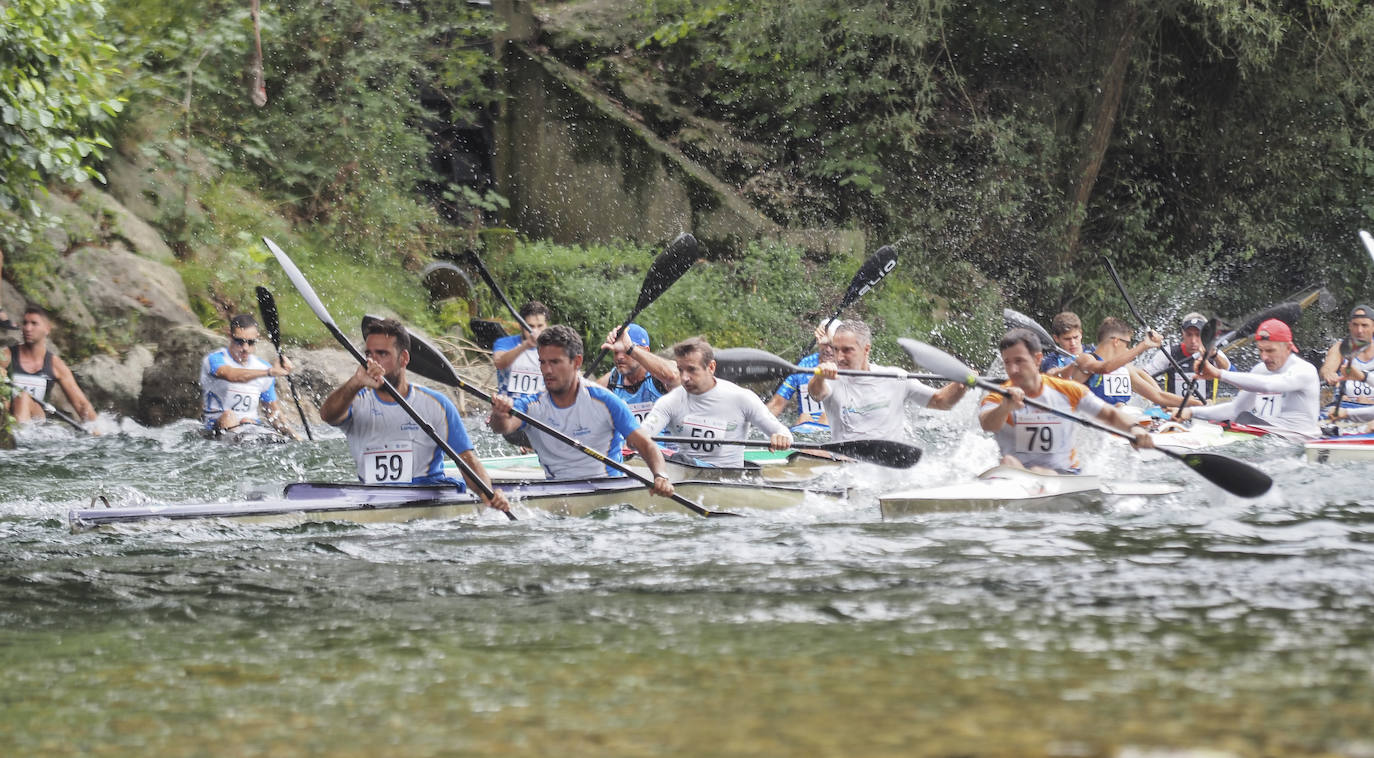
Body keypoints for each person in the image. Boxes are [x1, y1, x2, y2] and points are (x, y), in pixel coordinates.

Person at [319, 317, 510, 512]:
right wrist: (355, 382)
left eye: (382, 354)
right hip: (371, 497)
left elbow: (467, 461)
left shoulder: (437, 405)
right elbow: (328, 416)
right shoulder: (354, 399)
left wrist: (489, 494)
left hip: (427, 498)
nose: (372, 361)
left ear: (404, 359)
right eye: (369, 354)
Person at [488, 324, 674, 496]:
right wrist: (499, 413)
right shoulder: (531, 404)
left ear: (577, 362)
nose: (547, 370)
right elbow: (502, 427)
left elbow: (646, 445)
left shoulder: (608, 401)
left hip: (611, 496)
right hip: (558, 496)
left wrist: (660, 476)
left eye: (555, 362)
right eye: (542, 362)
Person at [980, 329, 1152, 474]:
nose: (1013, 370)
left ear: (1038, 359)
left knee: (1028, 468)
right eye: (1007, 363)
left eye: (1019, 361)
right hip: (1016, 474)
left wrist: (1135, 429)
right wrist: (1005, 407)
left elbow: (1110, 415)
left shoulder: (1067, 390)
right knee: (1008, 462)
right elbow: (987, 424)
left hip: (1066, 477)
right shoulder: (999, 395)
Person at [639, 337, 793, 468]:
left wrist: (781, 437)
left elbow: (783, 432)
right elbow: (641, 436)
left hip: (728, 480)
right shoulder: (670, 401)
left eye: (692, 370)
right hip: (685, 475)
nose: (684, 377)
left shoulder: (741, 398)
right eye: (681, 370)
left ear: (711, 367)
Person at [809, 319, 967, 442]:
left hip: (890, 468)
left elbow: (941, 401)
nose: (840, 357)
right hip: (845, 471)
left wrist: (962, 383)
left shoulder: (895, 377)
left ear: (866, 349)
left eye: (847, 350)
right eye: (836, 350)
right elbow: (816, 392)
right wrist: (819, 376)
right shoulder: (831, 379)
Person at [1179, 318, 1321, 438]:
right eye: (1261, 350)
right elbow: (1235, 410)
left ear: (1288, 348)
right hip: (1266, 436)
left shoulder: (1304, 370)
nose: (1264, 357)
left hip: (1301, 439)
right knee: (1240, 417)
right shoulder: (1260, 370)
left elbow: (1268, 385)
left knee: (1244, 419)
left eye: (1270, 350)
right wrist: (1190, 412)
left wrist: (1219, 374)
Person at [200, 314, 301, 439]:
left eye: (251, 342)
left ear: (257, 338)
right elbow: (232, 375)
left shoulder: (263, 366)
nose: (245, 348)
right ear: (230, 337)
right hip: (217, 428)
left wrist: (297, 438)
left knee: (249, 421)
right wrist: (269, 372)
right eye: (239, 342)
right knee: (229, 416)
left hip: (250, 429)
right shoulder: (215, 359)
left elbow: (273, 413)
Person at [1068, 317, 1198, 409]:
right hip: (1090, 431)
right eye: (1127, 344)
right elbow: (1106, 368)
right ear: (1116, 341)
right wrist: (1143, 346)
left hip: (1117, 430)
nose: (1128, 349)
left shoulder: (1125, 370)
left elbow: (1158, 396)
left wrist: (1196, 403)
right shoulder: (1086, 359)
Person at [1, 306, 98, 425]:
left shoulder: (55, 364)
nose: (27, 328)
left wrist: (96, 429)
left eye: (34, 323)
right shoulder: (6, 356)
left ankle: (20, 437)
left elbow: (81, 404)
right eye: (25, 323)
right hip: (8, 413)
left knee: (23, 397)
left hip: (37, 421)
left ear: (47, 329)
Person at [595, 322, 679, 423]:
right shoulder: (610, 382)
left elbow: (674, 375)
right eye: (616, 351)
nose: (619, 357)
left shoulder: (659, 376)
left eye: (625, 351)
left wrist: (630, 348)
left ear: (646, 350)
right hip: (628, 439)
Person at [1140, 311, 1230, 402]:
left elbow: (1229, 371)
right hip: (1174, 411)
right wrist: (1159, 396)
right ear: (1182, 334)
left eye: (1198, 335)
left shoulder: (1214, 353)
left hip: (1206, 411)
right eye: (1189, 335)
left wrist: (1214, 355)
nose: (1193, 340)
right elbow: (1143, 375)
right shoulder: (1169, 352)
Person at [766, 318, 839, 430]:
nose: (828, 350)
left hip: (834, 429)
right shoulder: (804, 365)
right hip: (805, 429)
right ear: (819, 341)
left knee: (826, 417)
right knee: (805, 417)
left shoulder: (847, 365)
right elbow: (777, 403)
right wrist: (756, 422)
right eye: (825, 344)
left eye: (832, 345)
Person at [491, 301, 551, 401]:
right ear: (521, 326)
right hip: (507, 407)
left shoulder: (553, 348)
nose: (535, 331)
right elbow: (499, 363)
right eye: (530, 326)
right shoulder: (504, 343)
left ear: (546, 326)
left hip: (539, 408)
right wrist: (525, 346)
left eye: (540, 326)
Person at [1319, 304, 1374, 409]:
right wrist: (1329, 373)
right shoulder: (1340, 348)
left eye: (1364, 325)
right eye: (1355, 325)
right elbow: (1327, 368)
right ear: (1350, 326)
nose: (1359, 331)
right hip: (1344, 407)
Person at [1039, 312, 1090, 378]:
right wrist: (1075, 365)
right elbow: (1051, 374)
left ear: (1081, 333)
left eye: (1075, 337)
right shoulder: (1051, 360)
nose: (1073, 343)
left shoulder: (1094, 351)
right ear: (1056, 338)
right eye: (1067, 339)